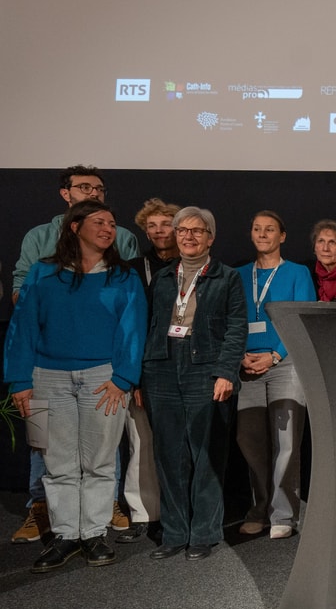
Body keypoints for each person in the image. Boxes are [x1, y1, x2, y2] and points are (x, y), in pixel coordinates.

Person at [4, 200, 147, 572]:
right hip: (42, 380)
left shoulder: (124, 276)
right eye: (99, 222)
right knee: (55, 462)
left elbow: (133, 329)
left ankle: (95, 532)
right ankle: (67, 534)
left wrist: (123, 379)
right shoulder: (41, 272)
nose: (108, 229)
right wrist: (20, 382)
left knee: (100, 460)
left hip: (104, 380)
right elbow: (21, 329)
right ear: (74, 227)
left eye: (112, 223)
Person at [141, 207, 247, 560]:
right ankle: (174, 533)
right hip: (162, 369)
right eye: (182, 230)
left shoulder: (227, 277)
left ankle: (203, 533)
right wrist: (143, 375)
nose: (188, 236)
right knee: (169, 456)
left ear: (210, 238)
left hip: (206, 369)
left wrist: (226, 372)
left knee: (207, 454)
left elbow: (236, 328)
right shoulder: (162, 278)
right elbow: (153, 325)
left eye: (197, 231)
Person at [236, 211, 317, 539]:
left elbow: (302, 318)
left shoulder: (297, 273)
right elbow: (231, 319)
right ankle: (260, 507)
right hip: (245, 366)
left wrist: (275, 354)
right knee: (249, 440)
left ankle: (284, 512)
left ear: (282, 236)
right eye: (257, 228)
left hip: (285, 364)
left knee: (286, 441)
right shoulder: (238, 275)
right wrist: (240, 354)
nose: (262, 234)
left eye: (269, 229)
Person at [117, 198, 182, 543]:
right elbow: (127, 325)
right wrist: (135, 375)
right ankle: (144, 515)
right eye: (152, 225)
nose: (159, 231)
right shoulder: (130, 268)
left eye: (166, 224)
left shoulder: (194, 264)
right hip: (143, 367)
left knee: (179, 443)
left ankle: (178, 512)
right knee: (141, 442)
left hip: (184, 367)